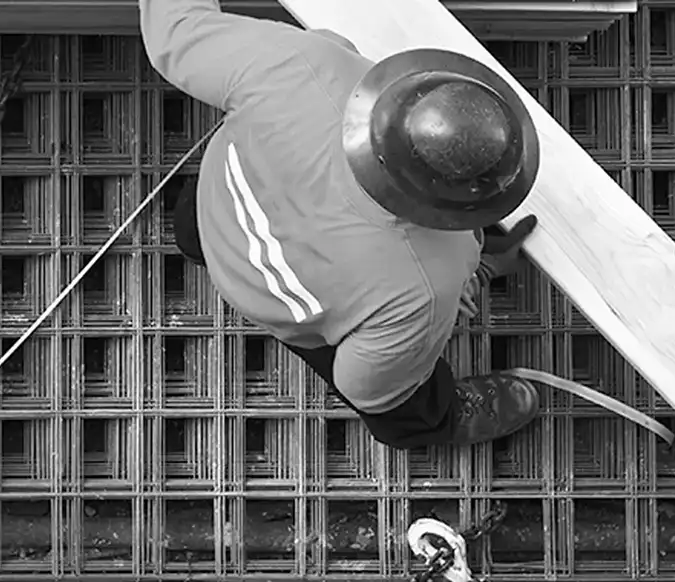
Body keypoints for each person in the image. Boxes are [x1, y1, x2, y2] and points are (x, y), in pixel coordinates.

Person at [140, 0, 545, 449]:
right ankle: (434, 421)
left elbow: (176, 30)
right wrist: (472, 272)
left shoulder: (306, 65)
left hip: (215, 221)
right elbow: (363, 386)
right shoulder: (426, 284)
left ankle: (194, 243)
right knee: (399, 398)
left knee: (194, 224)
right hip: (290, 309)